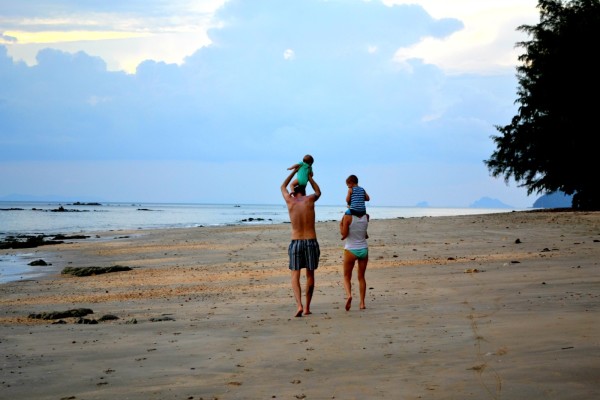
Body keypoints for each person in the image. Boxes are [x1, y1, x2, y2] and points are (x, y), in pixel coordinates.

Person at [281, 167, 322, 317]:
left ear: (294, 191)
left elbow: (282, 186)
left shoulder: (290, 201)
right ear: (305, 191)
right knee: (310, 275)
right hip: (311, 241)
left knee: (295, 274)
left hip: (296, 241)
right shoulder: (310, 199)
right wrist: (310, 177)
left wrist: (294, 172)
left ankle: (299, 305)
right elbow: (318, 192)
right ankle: (307, 308)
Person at [340, 211, 369, 311]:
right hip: (364, 249)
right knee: (361, 277)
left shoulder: (347, 217)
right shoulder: (366, 216)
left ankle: (349, 295)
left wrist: (341, 224)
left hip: (351, 249)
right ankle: (362, 303)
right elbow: (365, 235)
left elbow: (344, 235)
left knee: (346, 276)